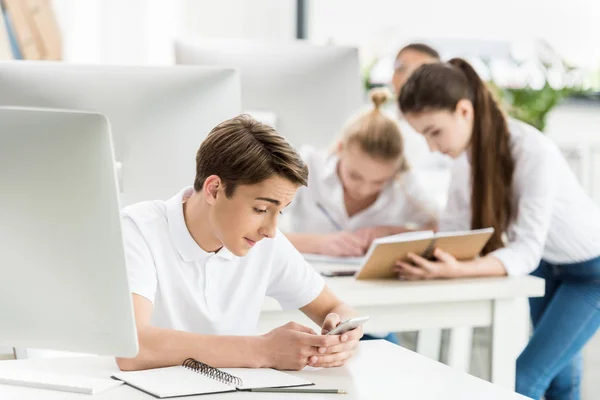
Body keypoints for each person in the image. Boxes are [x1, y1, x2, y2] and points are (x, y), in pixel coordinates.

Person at [397, 58, 600, 400]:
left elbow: (525, 248)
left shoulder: (531, 151)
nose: (432, 147)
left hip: (591, 272)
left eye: (434, 132)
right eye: (423, 136)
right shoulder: (465, 161)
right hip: (548, 268)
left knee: (523, 380)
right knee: (558, 383)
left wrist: (459, 269)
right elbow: (455, 230)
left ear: (464, 111)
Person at [115, 115, 363, 372]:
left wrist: (344, 333)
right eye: (260, 209)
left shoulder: (265, 242)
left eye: (282, 211)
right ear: (213, 190)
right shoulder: (138, 230)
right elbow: (132, 347)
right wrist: (265, 350)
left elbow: (335, 307)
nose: (270, 230)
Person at [285, 88, 439, 257]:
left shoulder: (403, 182)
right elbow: (255, 229)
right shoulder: (308, 166)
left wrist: (391, 233)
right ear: (340, 149)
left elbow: (444, 229)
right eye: (355, 176)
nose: (364, 189)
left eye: (379, 182)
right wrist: (319, 244)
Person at [391, 43, 444, 170]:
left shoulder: (446, 128)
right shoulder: (377, 121)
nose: (414, 79)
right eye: (402, 68)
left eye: (422, 72)